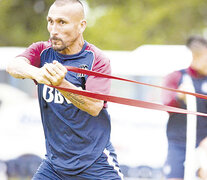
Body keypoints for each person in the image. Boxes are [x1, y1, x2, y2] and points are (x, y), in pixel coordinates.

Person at [6, 0, 123, 179]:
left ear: (81, 25)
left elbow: (94, 106)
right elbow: (13, 66)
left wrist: (60, 84)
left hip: (95, 163)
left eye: (62, 22)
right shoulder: (42, 51)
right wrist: (38, 74)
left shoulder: (97, 60)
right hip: (54, 166)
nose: (54, 29)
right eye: (50, 21)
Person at [162, 35, 207, 180]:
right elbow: (166, 104)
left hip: (203, 143)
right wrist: (179, 97)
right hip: (178, 142)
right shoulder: (176, 77)